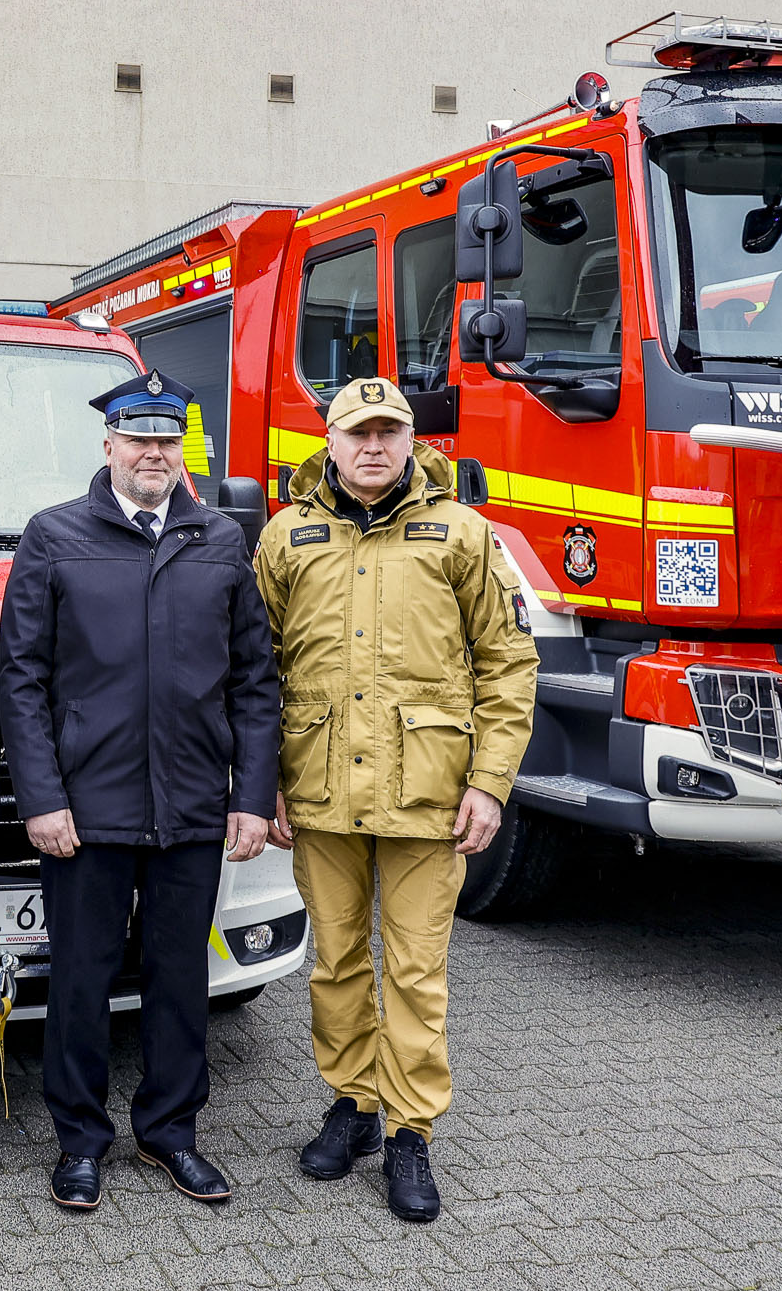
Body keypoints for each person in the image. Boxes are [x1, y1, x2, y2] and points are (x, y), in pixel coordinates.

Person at [253, 377, 537, 1222]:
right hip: (319, 790)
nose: (373, 446)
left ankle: (411, 1128)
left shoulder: (462, 533)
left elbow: (509, 663)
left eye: (388, 432)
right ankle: (354, 1104)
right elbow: (255, 670)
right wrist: (261, 776)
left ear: (413, 441)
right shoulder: (285, 538)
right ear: (329, 442)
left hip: (428, 791)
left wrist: (490, 783)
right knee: (336, 960)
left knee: (415, 967)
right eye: (357, 433)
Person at [0, 371, 279, 1212]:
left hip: (193, 804)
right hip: (87, 811)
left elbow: (256, 682)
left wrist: (252, 795)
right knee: (80, 981)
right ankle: (79, 1141)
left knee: (178, 978)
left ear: (181, 451)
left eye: (168, 439)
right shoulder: (55, 536)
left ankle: (171, 1133)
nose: (153, 453)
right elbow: (22, 681)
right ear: (108, 444)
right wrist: (42, 797)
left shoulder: (221, 540)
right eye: (138, 437)